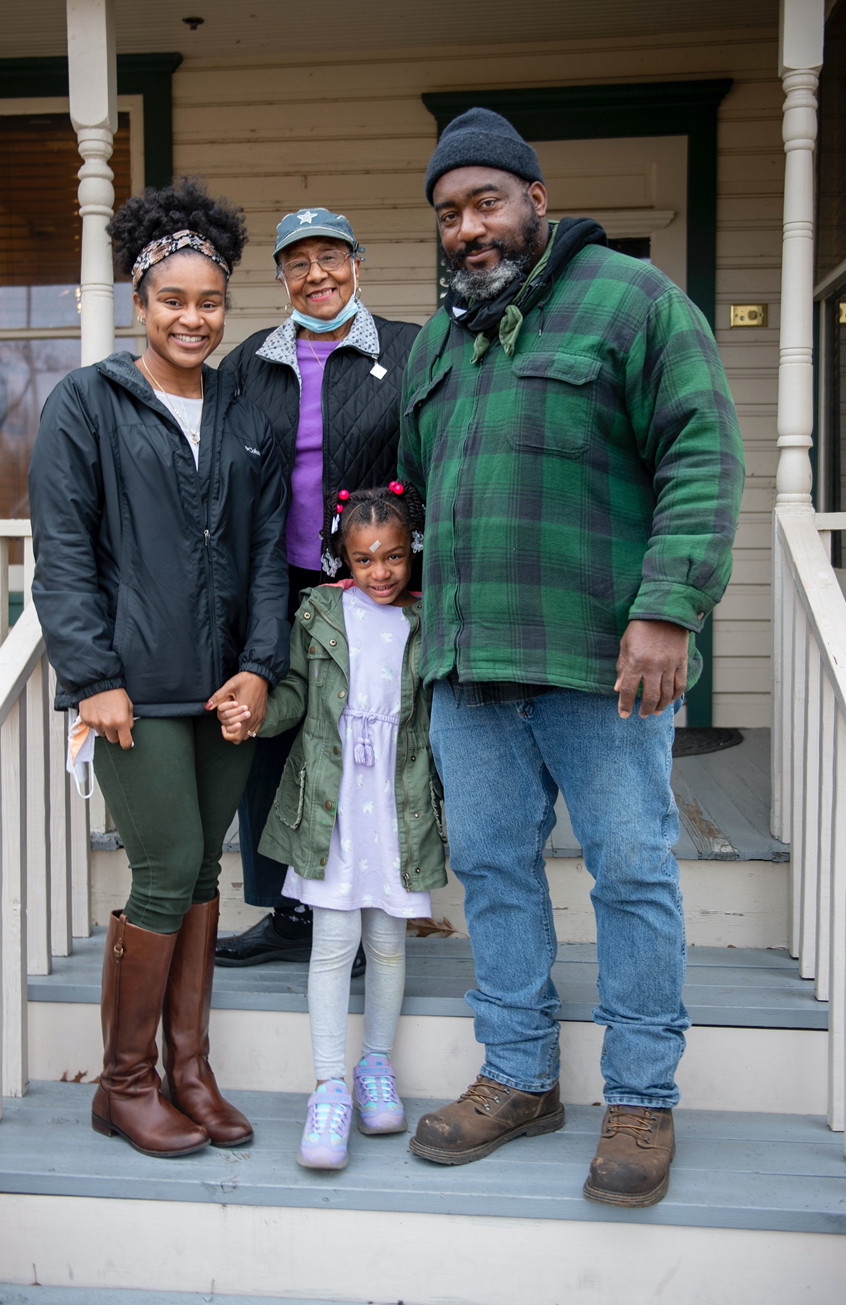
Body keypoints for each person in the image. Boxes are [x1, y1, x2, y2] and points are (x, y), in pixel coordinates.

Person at [398, 109, 745, 1206]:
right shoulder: (438, 340)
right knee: (495, 874)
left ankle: (640, 1097)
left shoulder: (632, 301)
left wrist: (668, 609)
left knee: (631, 875)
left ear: (534, 202)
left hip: (604, 661)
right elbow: (418, 484)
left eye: (485, 202)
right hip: (467, 665)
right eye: (448, 213)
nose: (467, 227)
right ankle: (518, 1075)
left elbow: (700, 451)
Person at [28, 179, 290, 1159]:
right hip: (133, 689)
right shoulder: (87, 402)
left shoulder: (239, 406)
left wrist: (261, 668)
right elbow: (62, 550)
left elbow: (268, 551)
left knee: (202, 874)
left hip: (224, 687)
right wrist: (92, 678)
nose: (192, 317)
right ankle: (122, 1084)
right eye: (172, 299)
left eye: (209, 300)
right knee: (165, 867)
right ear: (140, 303)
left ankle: (189, 1072)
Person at [213, 484, 446, 1171]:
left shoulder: (425, 622)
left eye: (395, 556)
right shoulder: (320, 612)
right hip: (335, 804)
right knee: (333, 942)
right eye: (366, 557)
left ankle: (377, 1066)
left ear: (412, 554)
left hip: (397, 803)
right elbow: (293, 694)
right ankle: (329, 1088)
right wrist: (256, 714)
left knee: (388, 942)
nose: (382, 571)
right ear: (341, 558)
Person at [215, 208, 421, 970]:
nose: (317, 275)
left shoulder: (405, 348)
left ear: (357, 263)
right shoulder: (249, 364)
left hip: (367, 582)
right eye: (298, 263)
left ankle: (361, 906)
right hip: (277, 580)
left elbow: (427, 460)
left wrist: (407, 556)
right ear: (281, 278)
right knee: (272, 735)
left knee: (360, 741)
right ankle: (286, 910)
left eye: (330, 257)